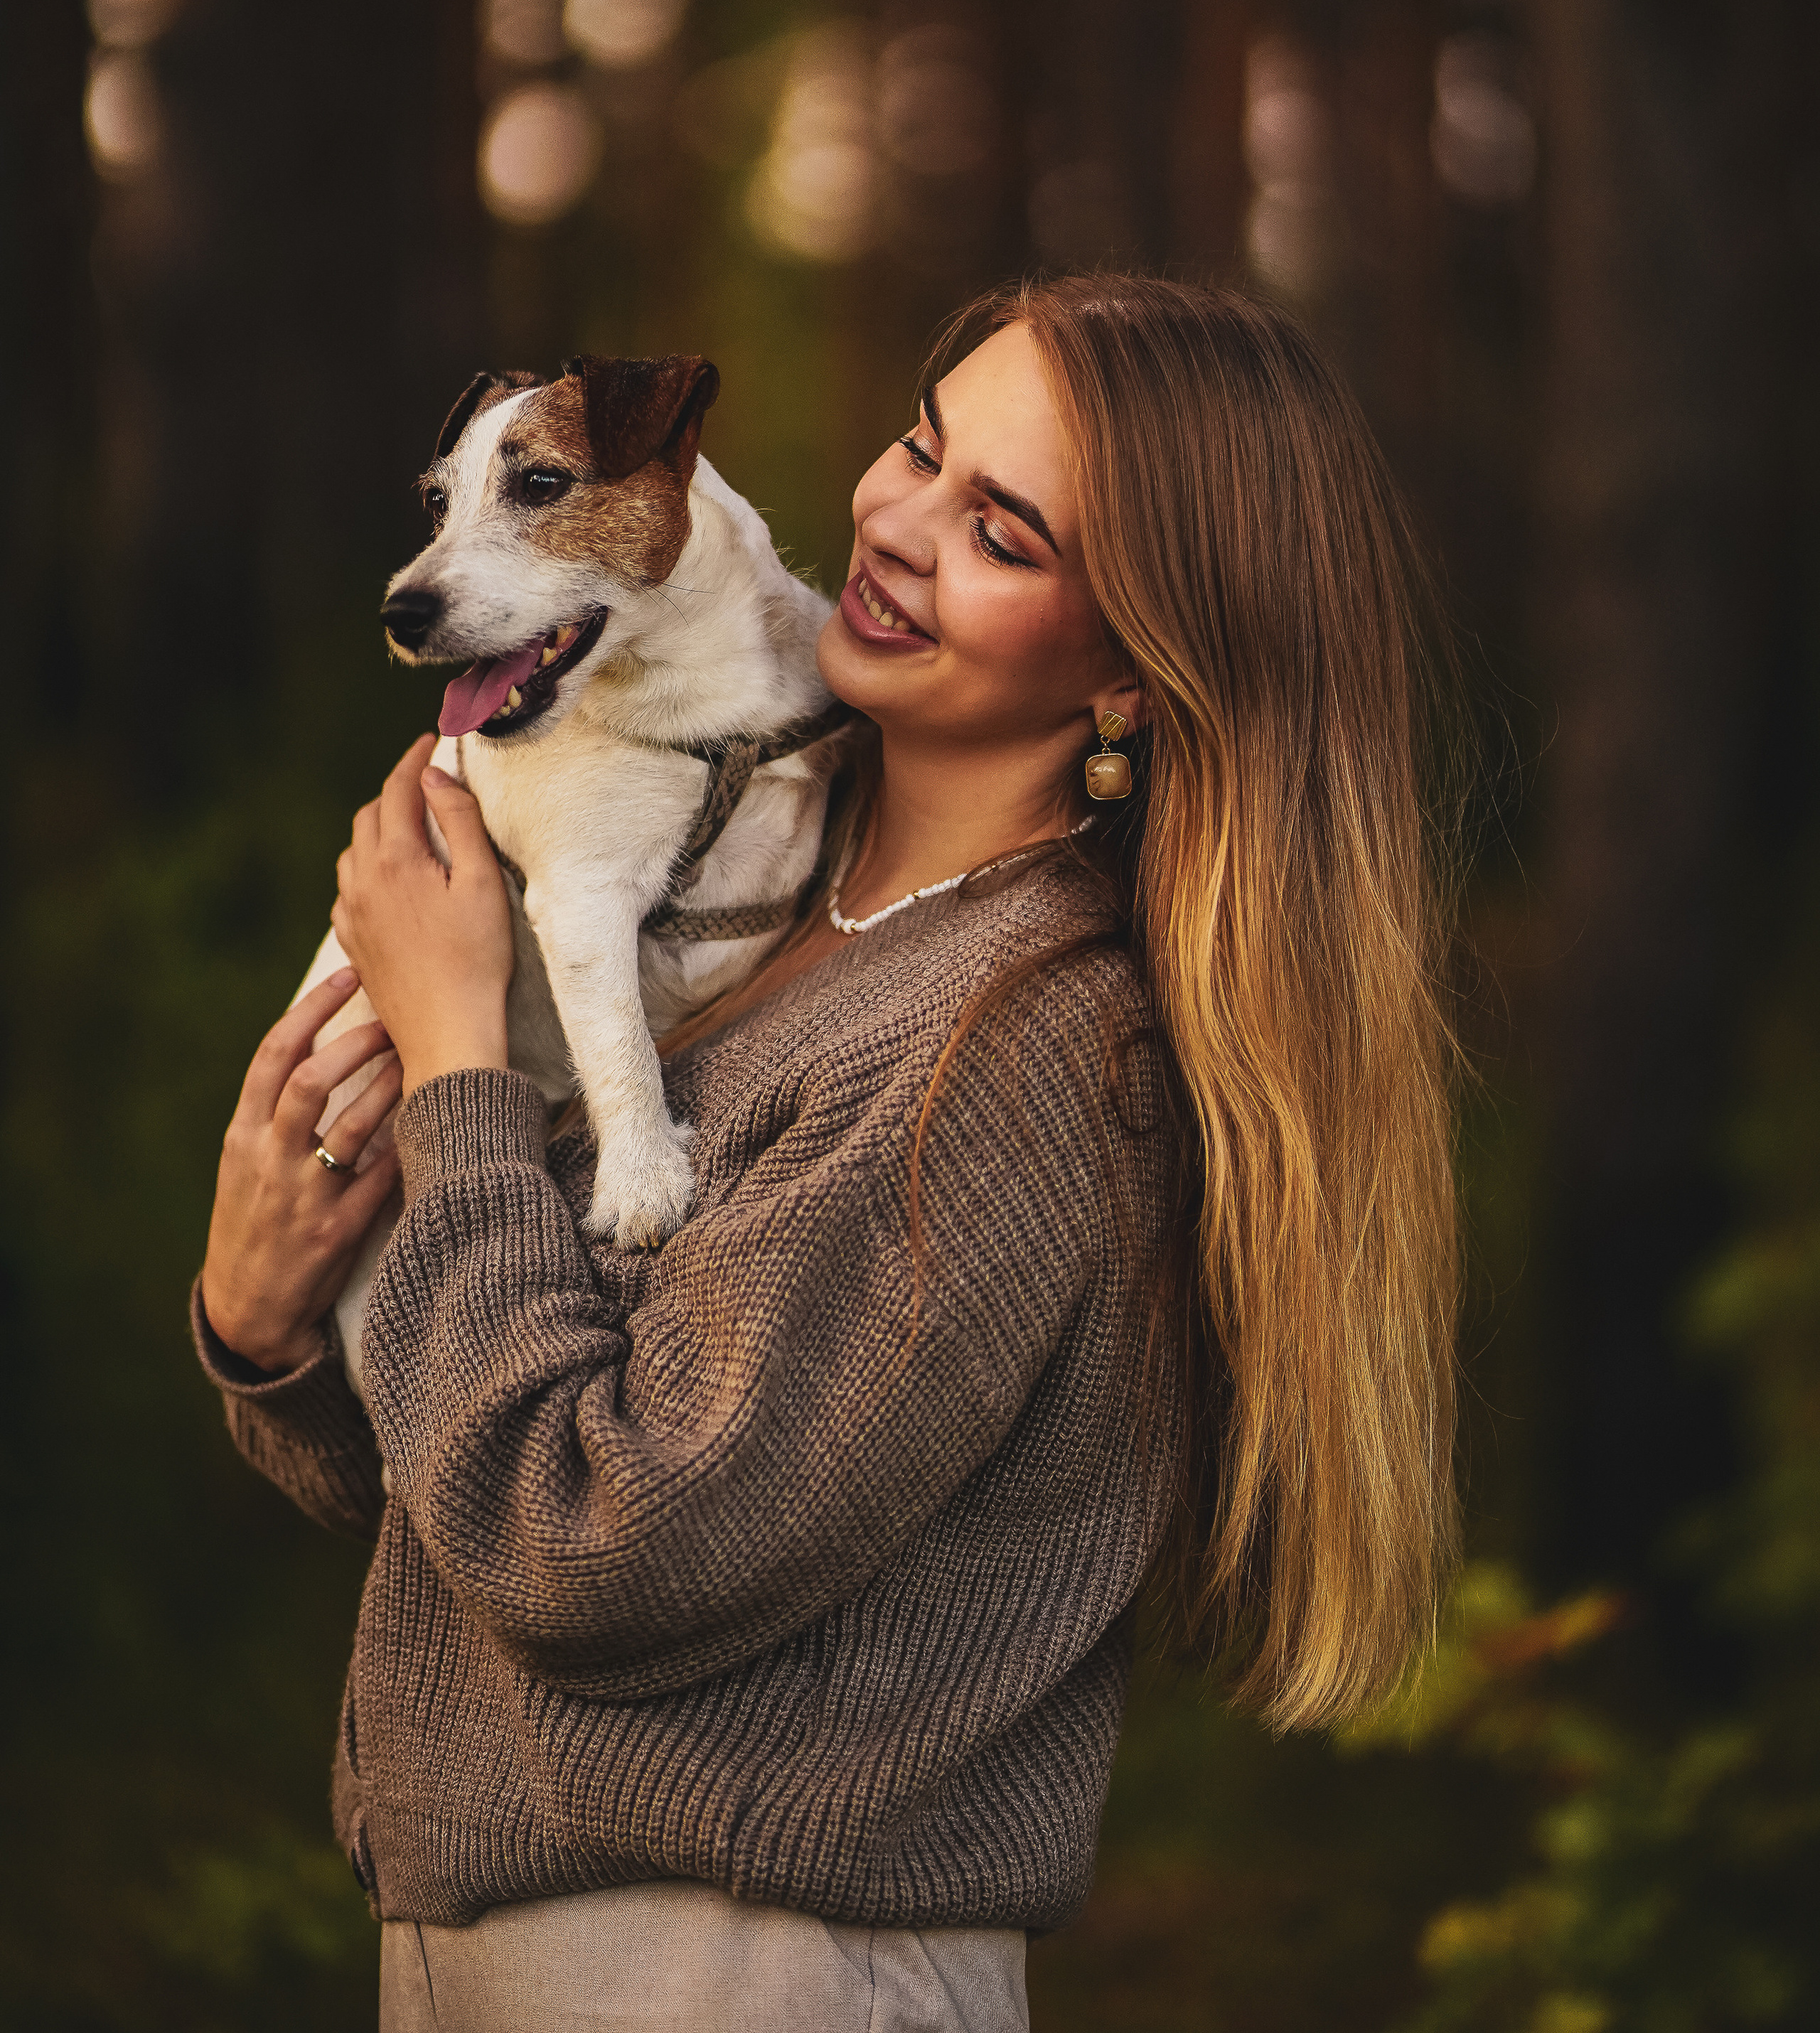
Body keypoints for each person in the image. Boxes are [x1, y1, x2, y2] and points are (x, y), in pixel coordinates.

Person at [196, 274, 1461, 2033]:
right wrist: (267, 1328)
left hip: (746, 1970)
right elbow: (465, 1485)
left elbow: (593, 1556)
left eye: (1001, 531)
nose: (898, 528)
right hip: (509, 1960)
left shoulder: (1019, 1057)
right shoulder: (758, 887)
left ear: (1136, 665)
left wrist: (459, 1074)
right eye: (923, 451)